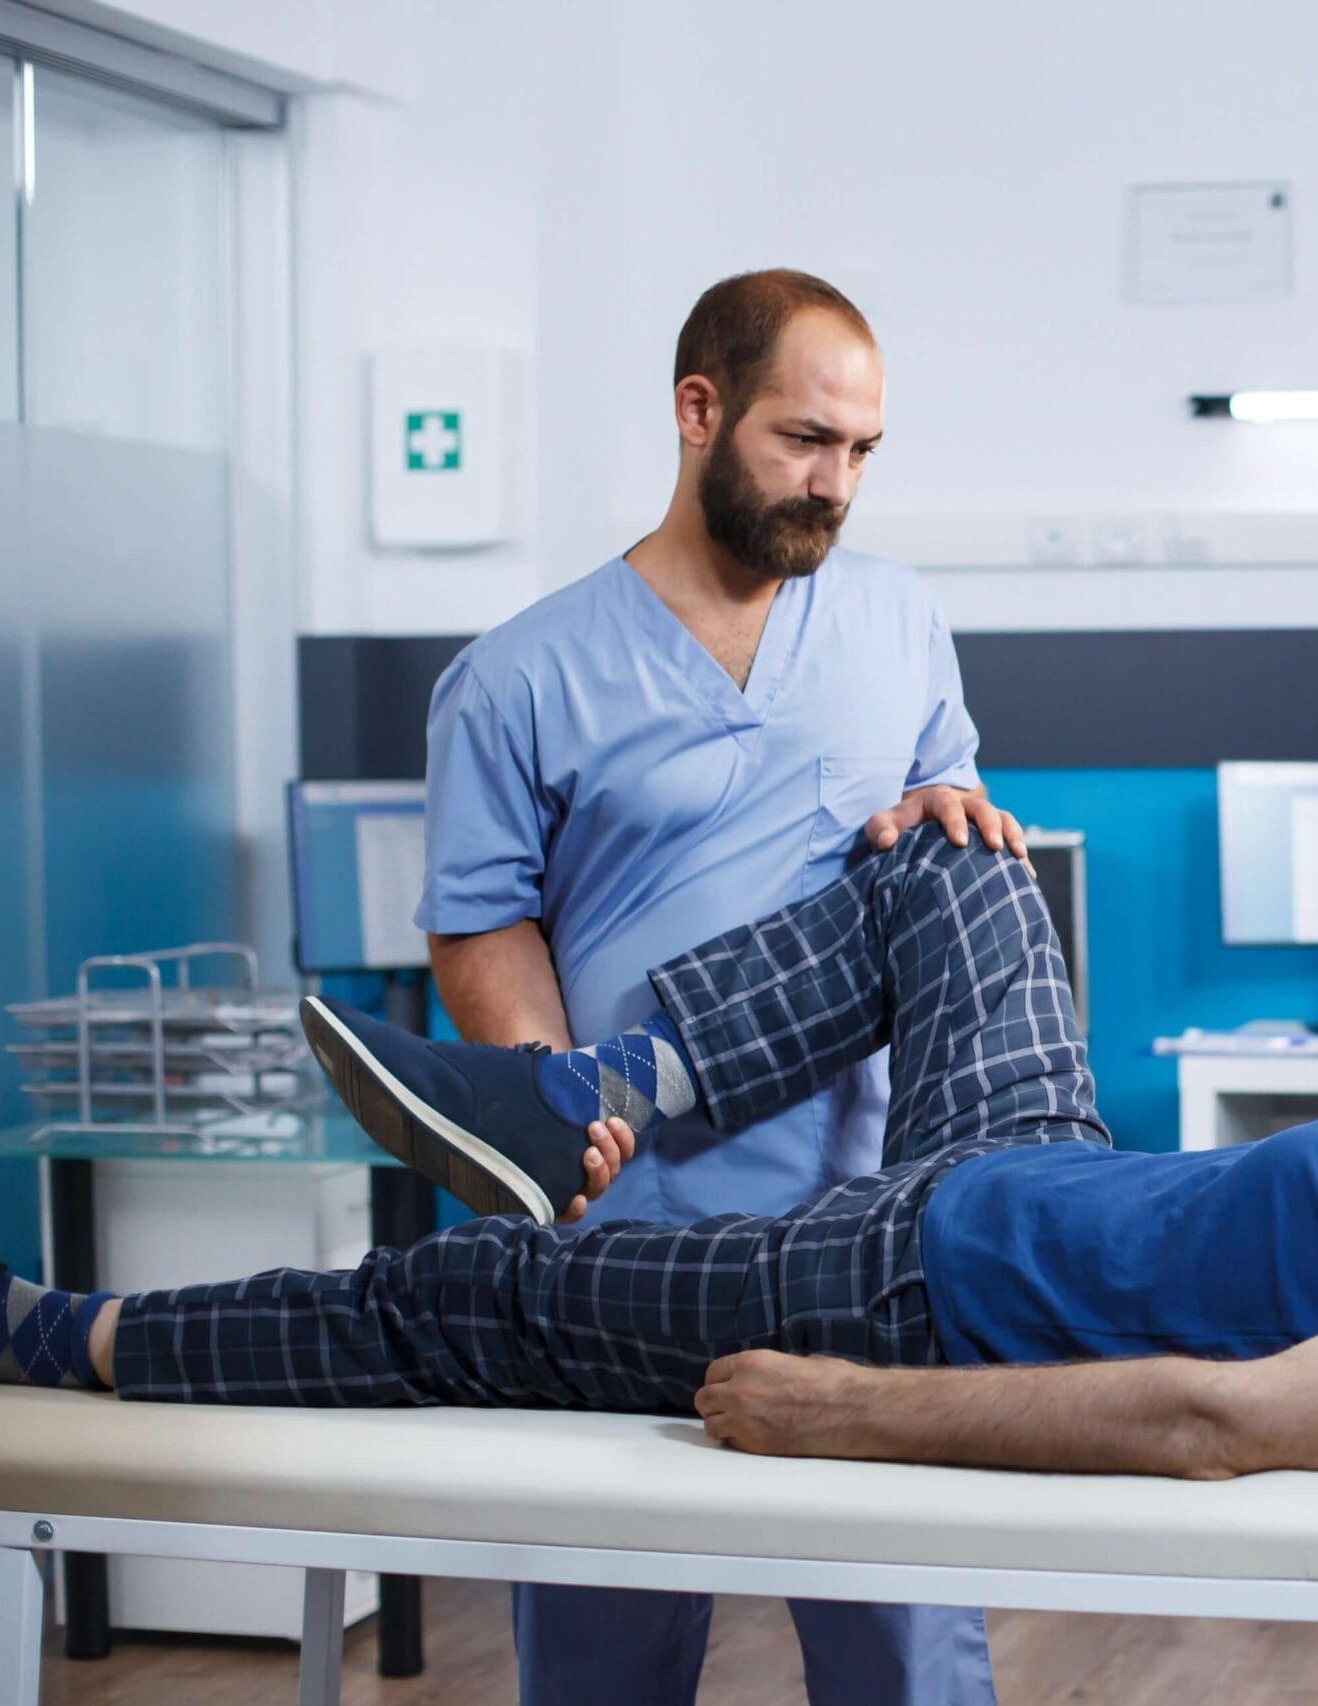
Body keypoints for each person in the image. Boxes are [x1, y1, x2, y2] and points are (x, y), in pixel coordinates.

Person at [0, 832, 1318, 1485]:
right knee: (954, 863)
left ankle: (36, 1330)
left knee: (464, 1303)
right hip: (1047, 1174)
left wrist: (854, 1413)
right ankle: (584, 1096)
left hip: (928, 1294)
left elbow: (1231, 1420)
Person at [414, 270, 1013, 1705]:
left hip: (861, 1210)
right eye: (804, 439)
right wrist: (559, 1114)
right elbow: (480, 922)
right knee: (603, 1643)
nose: (836, 483)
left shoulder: (898, 620)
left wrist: (944, 810)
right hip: (633, 1212)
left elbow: (945, 812)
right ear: (698, 411)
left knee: (903, 1642)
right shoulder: (518, 676)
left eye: (861, 450)